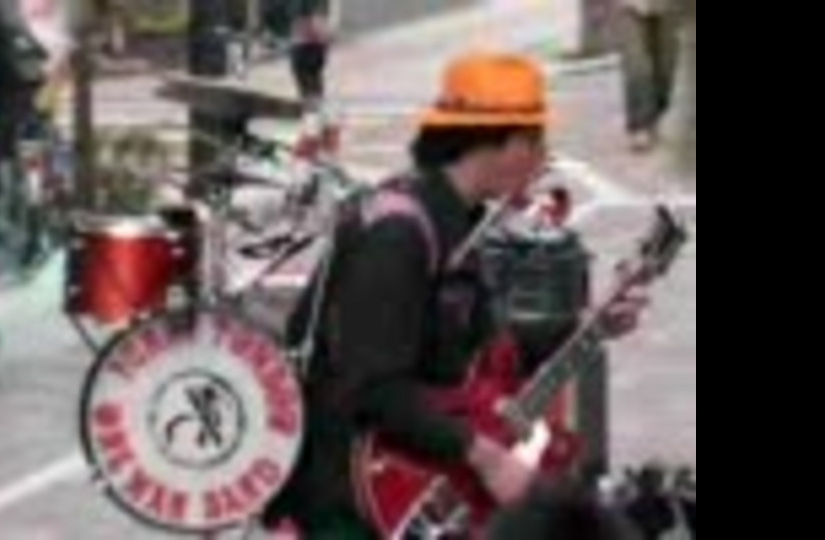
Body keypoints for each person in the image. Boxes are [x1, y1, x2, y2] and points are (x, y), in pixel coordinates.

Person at [264, 52, 648, 537]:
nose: (541, 159)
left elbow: (482, 360)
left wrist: (588, 325)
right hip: (359, 498)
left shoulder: (455, 222)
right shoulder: (397, 235)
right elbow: (372, 388)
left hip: (421, 471)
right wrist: (487, 458)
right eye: (534, 142)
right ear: (498, 143)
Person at [615, 0, 680, 152]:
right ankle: (639, 126)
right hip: (629, 7)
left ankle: (653, 117)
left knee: (665, 70)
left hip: (668, 9)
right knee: (636, 67)